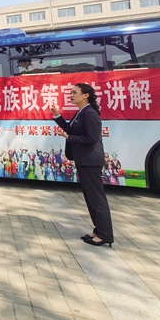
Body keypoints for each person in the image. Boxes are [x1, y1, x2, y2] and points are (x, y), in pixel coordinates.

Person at [52, 83, 113, 247]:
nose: (71, 95)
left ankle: (105, 234)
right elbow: (70, 129)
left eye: (74, 92)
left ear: (85, 95)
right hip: (84, 160)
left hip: (90, 161)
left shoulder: (90, 113)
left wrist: (68, 137)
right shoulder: (81, 112)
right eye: (71, 92)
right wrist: (57, 115)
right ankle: (98, 231)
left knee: (96, 198)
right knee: (90, 197)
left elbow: (91, 138)